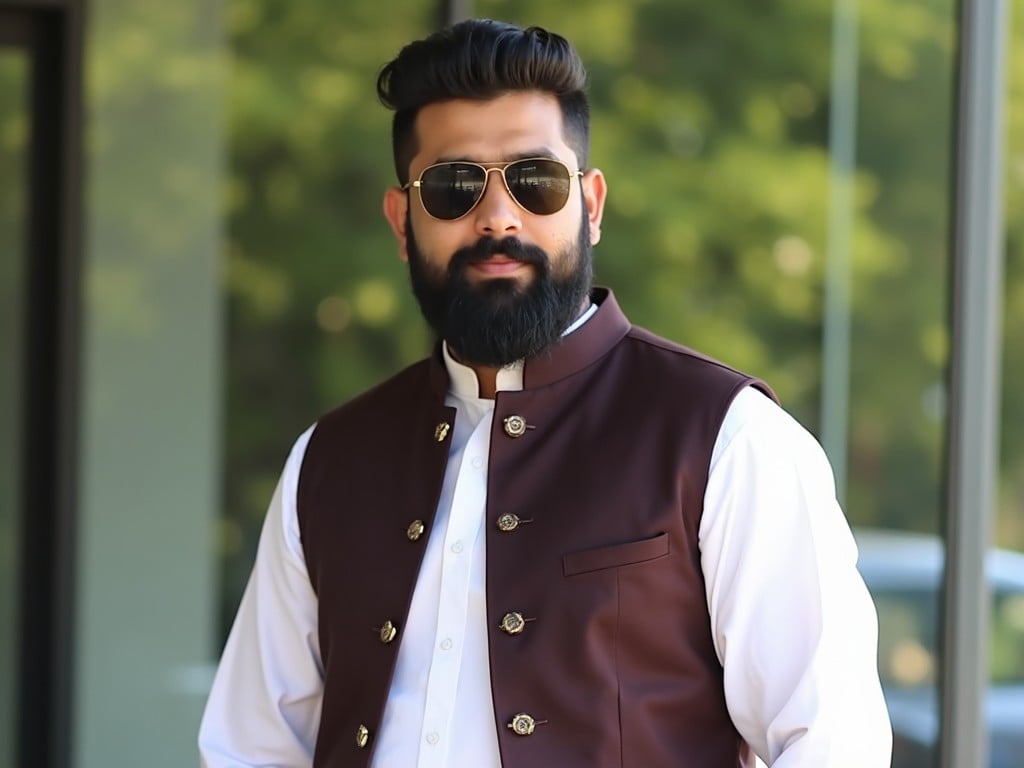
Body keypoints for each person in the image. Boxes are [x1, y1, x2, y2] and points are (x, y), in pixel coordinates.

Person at [199, 18, 892, 768]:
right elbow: (253, 748)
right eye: (454, 187)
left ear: (590, 203)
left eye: (535, 181)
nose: (498, 217)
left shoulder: (726, 437)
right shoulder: (330, 461)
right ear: (403, 221)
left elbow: (831, 743)